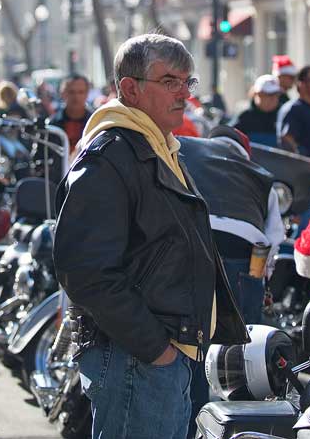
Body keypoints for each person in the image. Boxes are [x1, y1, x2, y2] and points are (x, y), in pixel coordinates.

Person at [53, 34, 248, 439]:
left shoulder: (158, 146)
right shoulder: (110, 154)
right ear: (130, 88)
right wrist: (155, 349)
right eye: (170, 81)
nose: (183, 95)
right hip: (136, 359)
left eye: (187, 82)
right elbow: (85, 270)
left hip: (162, 355)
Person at [178, 125, 285, 439]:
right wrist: (260, 286)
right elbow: (273, 239)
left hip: (192, 251)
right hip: (243, 259)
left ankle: (190, 427)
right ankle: (233, 427)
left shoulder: (187, 150)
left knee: (191, 350)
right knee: (237, 358)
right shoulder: (261, 174)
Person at [232, 74, 281, 147]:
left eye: (276, 94)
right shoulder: (245, 117)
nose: (273, 98)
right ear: (257, 94)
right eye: (269, 94)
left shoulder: (285, 116)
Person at [49, 74, 92, 155]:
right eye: (71, 92)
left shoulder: (96, 123)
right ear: (62, 93)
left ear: (87, 94)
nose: (76, 97)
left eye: (81, 92)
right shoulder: (51, 125)